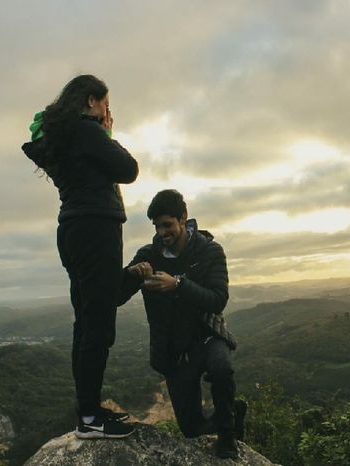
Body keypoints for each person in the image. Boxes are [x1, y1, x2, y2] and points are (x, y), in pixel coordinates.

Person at [21, 75, 138, 439]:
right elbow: (128, 169)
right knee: (98, 325)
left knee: (85, 322)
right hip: (96, 230)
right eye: (105, 104)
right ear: (91, 101)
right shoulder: (87, 131)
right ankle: (90, 418)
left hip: (73, 231)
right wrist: (106, 132)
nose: (107, 111)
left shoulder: (61, 137)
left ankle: (88, 410)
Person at [117, 189, 246, 459]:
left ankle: (227, 435)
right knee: (190, 428)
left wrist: (177, 285)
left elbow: (218, 299)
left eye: (167, 225)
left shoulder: (209, 251)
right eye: (157, 226)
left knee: (221, 369)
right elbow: (117, 296)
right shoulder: (148, 254)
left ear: (183, 218)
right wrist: (130, 275)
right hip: (174, 350)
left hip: (208, 335)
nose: (163, 232)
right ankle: (232, 413)